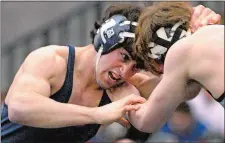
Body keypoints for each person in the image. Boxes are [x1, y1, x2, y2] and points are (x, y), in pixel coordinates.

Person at [1, 3, 221, 143]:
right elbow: (20, 109)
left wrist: (195, 36)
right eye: (124, 57)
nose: (124, 71)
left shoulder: (126, 84)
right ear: (105, 37)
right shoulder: (53, 61)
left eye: (135, 66)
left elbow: (186, 90)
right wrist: (96, 114)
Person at [126, 2, 224, 133]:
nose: (163, 75)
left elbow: (146, 122)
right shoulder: (215, 32)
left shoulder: (180, 52)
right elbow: (188, 92)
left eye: (159, 70)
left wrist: (121, 93)